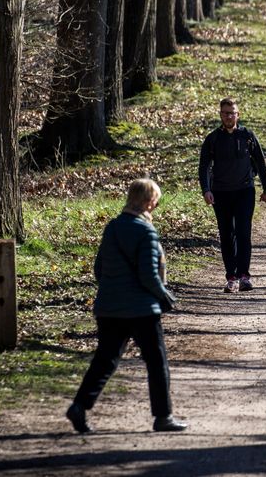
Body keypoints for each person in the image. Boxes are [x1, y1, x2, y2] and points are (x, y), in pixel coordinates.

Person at [66, 178, 187, 434]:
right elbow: (148, 275)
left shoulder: (112, 228)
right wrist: (164, 296)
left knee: (105, 360)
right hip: (142, 310)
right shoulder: (145, 231)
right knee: (157, 362)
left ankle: (79, 406)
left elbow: (99, 269)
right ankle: (163, 417)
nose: (155, 205)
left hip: (109, 308)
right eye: (155, 200)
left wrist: (113, 289)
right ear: (146, 202)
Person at [199, 98, 266, 293]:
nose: (229, 116)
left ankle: (244, 276)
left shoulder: (247, 136)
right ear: (220, 115)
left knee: (243, 233)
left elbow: (260, 162)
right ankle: (231, 277)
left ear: (238, 115)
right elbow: (204, 166)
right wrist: (206, 189)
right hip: (220, 193)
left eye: (232, 112)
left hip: (244, 191)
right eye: (225, 113)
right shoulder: (212, 139)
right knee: (226, 234)